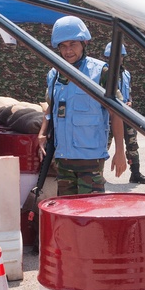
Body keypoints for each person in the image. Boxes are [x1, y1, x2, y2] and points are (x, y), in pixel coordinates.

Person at [36, 16, 126, 195]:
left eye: (73, 44)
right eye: (63, 46)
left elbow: (117, 113)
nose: (68, 51)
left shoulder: (101, 72)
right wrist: (42, 133)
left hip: (90, 161)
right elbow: (51, 107)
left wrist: (120, 151)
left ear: (84, 43)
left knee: (90, 215)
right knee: (67, 214)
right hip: (63, 158)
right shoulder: (54, 74)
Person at [105, 41, 145, 184]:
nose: (118, 58)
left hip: (127, 115)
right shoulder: (104, 73)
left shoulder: (126, 74)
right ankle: (97, 173)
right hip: (109, 116)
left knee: (132, 143)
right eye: (114, 56)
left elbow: (128, 92)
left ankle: (135, 173)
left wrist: (130, 101)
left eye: (120, 56)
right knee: (103, 145)